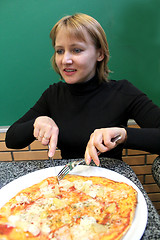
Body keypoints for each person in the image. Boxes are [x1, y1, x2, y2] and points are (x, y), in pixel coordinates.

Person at [5, 13, 160, 166]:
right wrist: (36, 122)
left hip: (111, 184)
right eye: (60, 51)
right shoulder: (53, 94)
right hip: (69, 184)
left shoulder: (123, 91)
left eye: (76, 50)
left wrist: (124, 134)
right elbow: (11, 139)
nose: (65, 60)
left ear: (100, 53)